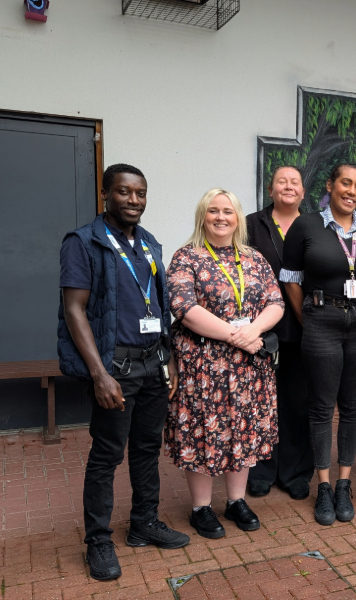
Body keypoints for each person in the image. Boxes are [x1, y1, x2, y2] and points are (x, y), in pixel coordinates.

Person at [58, 164, 189, 581]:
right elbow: (74, 309)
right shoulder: (84, 242)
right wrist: (99, 375)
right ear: (105, 194)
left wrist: (168, 356)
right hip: (115, 369)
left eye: (140, 193)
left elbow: (160, 305)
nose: (134, 201)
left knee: (148, 448)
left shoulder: (149, 243)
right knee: (107, 455)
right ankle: (98, 539)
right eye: (124, 192)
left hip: (152, 364)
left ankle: (143, 523)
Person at [165, 189, 284, 539]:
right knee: (203, 432)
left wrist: (255, 329)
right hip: (203, 366)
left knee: (243, 431)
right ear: (203, 216)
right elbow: (184, 308)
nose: (221, 217)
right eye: (213, 211)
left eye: (228, 211)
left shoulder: (253, 258)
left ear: (238, 218)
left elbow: (275, 301)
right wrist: (237, 336)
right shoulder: (187, 257)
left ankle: (236, 501)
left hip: (248, 367)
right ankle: (200, 508)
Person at [280, 164, 356, 526]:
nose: (351, 191)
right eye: (345, 183)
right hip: (321, 321)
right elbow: (291, 279)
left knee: (353, 407)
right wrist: (306, 318)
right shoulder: (306, 225)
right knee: (322, 406)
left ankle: (344, 483)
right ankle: (322, 486)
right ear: (330, 185)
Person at [245, 166, 314, 501]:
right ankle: (260, 469)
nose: (288, 186)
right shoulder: (249, 225)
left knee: (298, 403)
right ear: (270, 189)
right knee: (261, 402)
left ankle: (295, 471)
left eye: (295, 182)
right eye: (281, 181)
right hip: (261, 330)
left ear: (303, 192)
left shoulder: (315, 225)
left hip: (303, 329)